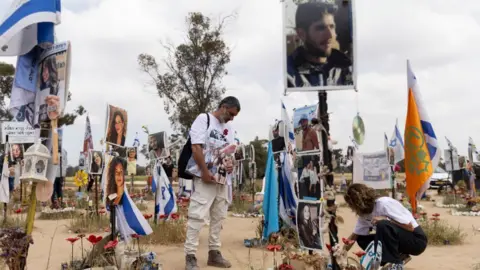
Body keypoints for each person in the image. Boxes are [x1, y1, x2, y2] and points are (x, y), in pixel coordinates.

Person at [184, 96, 240, 270]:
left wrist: (231, 165)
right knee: (197, 215)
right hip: (204, 176)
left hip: (223, 179)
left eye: (234, 116)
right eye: (231, 114)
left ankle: (214, 253)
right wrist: (205, 172)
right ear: (223, 107)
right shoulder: (204, 119)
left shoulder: (229, 128)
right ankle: (190, 256)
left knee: (218, 216)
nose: (232, 118)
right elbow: (196, 148)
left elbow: (229, 151)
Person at [343, 184, 427, 269]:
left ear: (358, 202)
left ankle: (394, 262)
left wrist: (386, 219)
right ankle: (391, 259)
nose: (351, 208)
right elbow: (355, 235)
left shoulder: (384, 203)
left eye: (351, 204)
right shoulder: (364, 213)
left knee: (382, 224)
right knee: (361, 238)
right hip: (400, 241)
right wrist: (341, 252)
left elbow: (410, 227)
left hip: (416, 241)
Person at [287, 1, 352, 88]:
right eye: (321, 28)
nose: (330, 35)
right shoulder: (287, 73)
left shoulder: (347, 68)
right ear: (301, 34)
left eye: (332, 27)